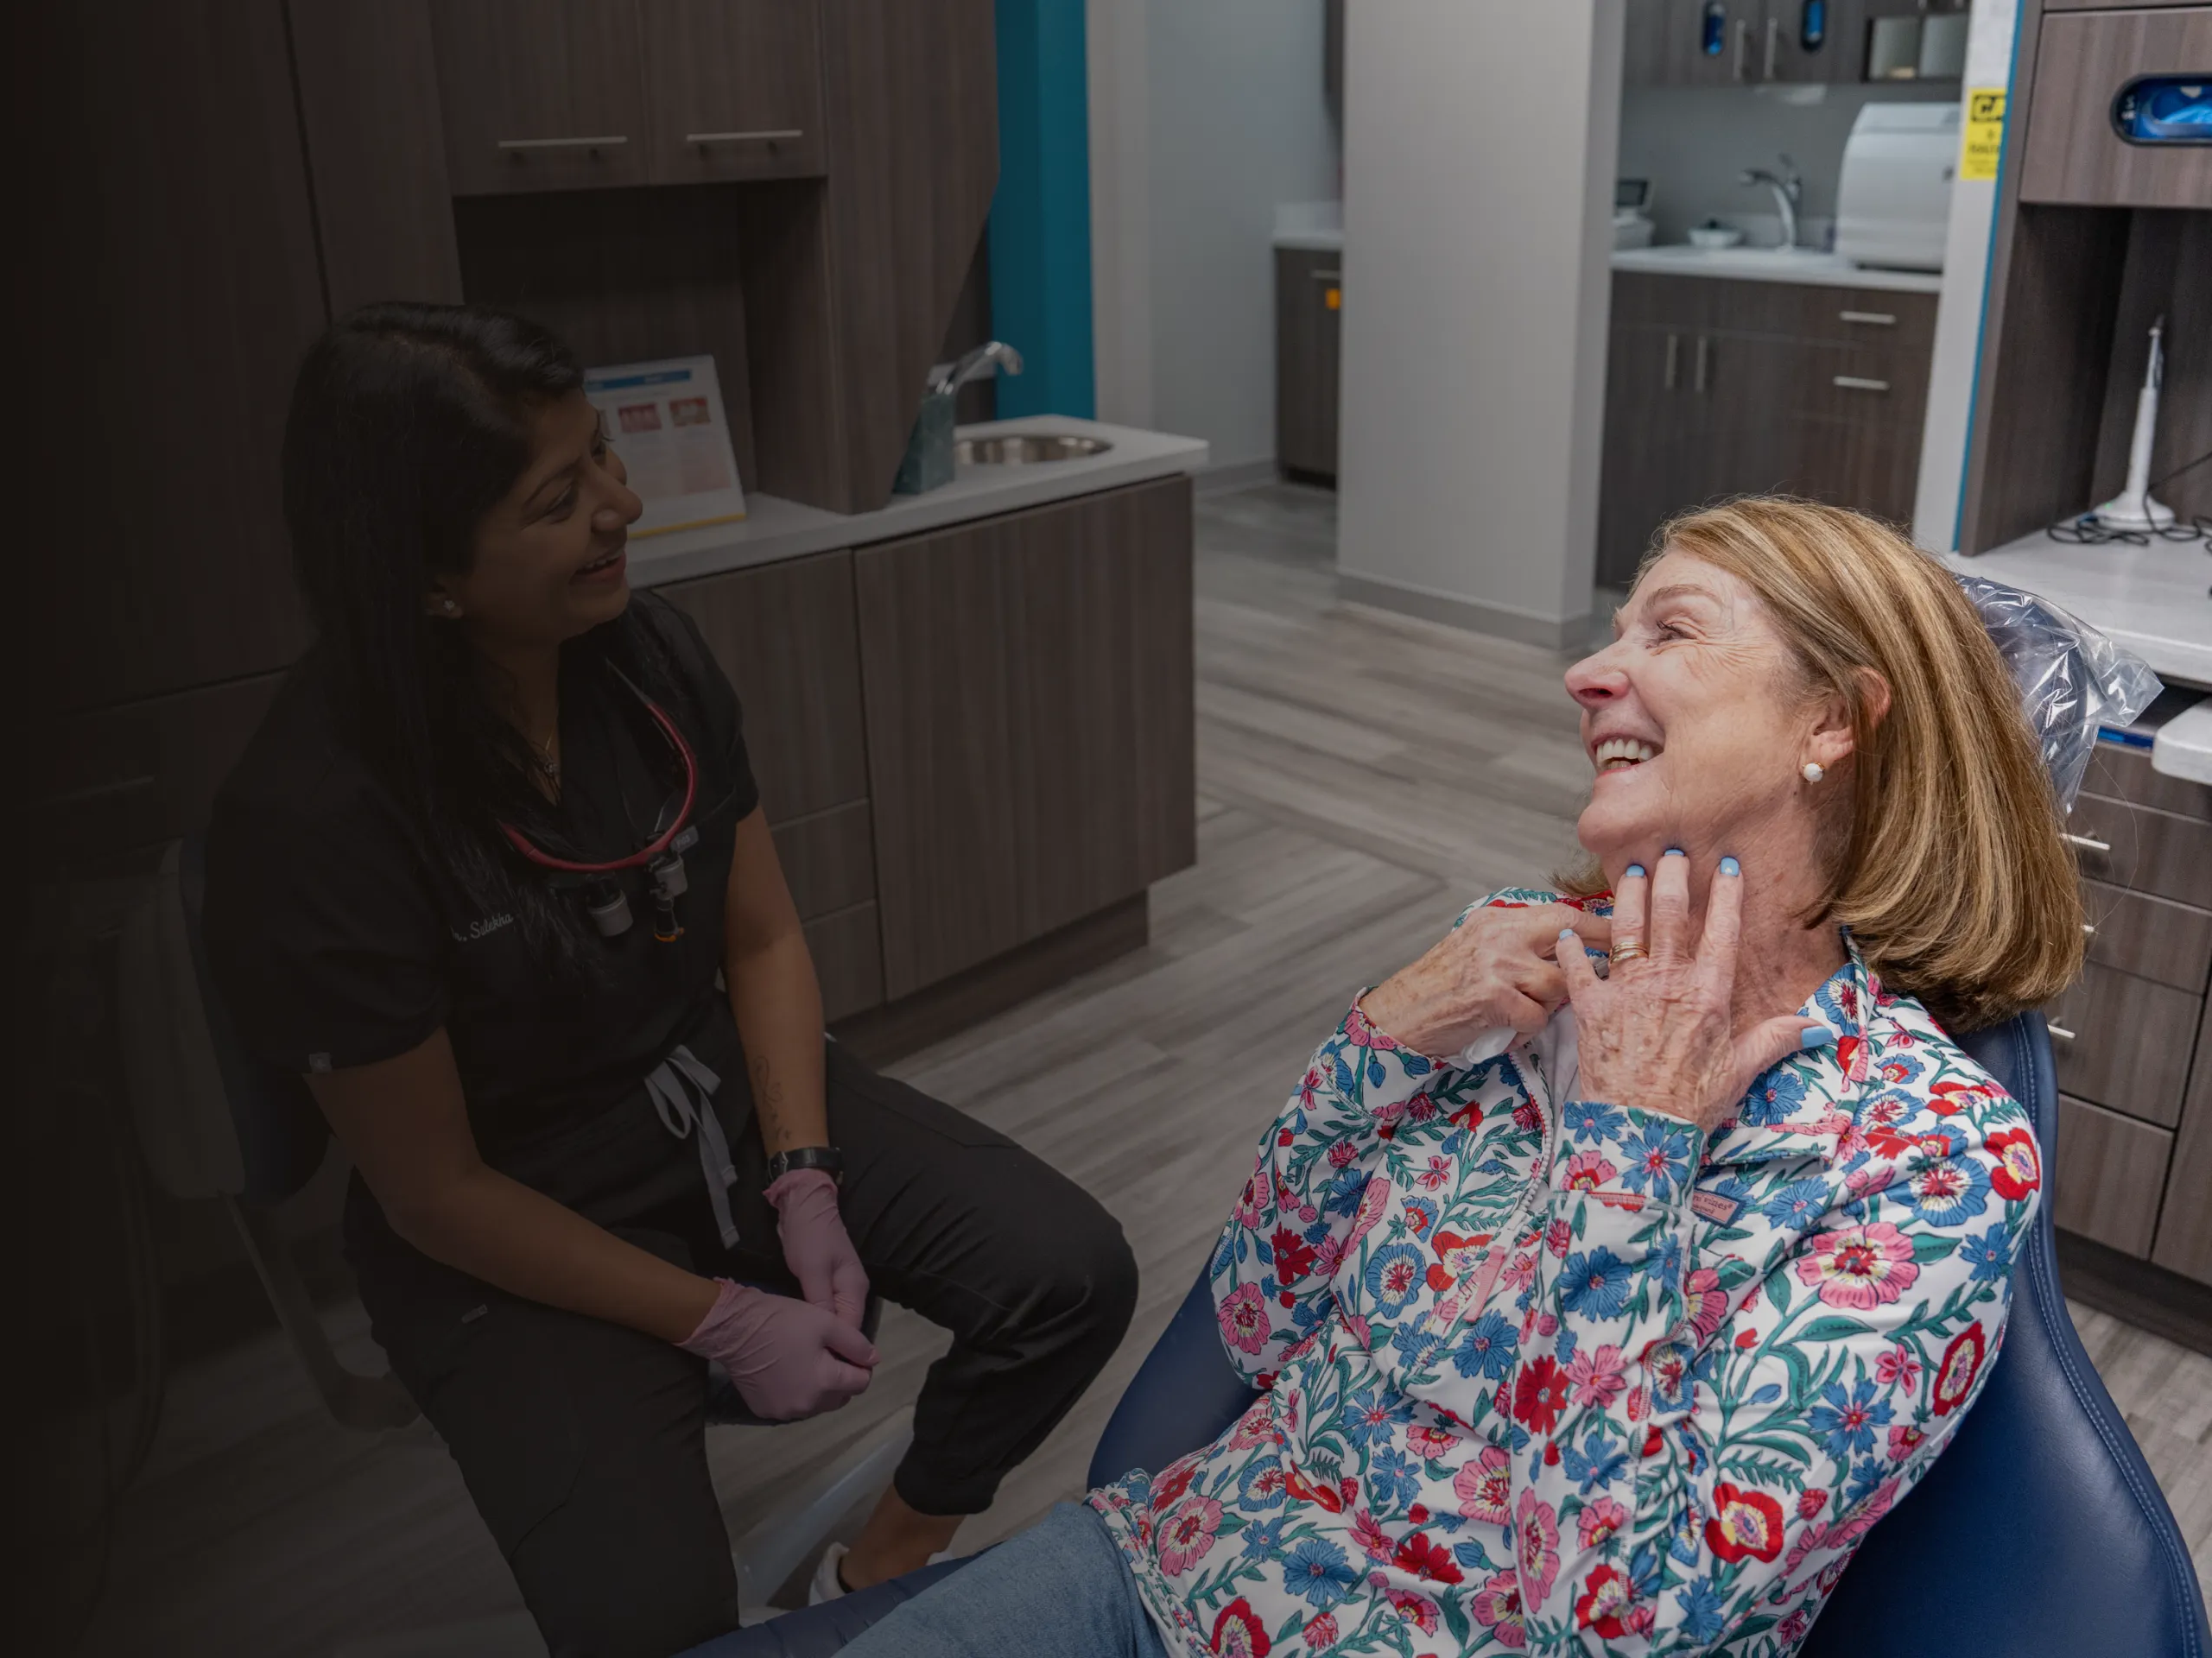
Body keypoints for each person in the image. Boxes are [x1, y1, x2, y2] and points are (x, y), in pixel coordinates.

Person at [840, 496, 2084, 1657]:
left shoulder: (1932, 1151)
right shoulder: (1516, 962)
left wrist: (1633, 1144)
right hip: (1170, 1566)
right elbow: (1258, 1325)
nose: (1587, 675)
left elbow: (1617, 1620)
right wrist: (1375, 1042)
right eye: (1610, 634)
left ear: (1831, 721)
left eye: (1673, 629)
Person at [199, 302, 1142, 1657]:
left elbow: (756, 940)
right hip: (507, 1210)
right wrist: (715, 1316)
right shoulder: (315, 822)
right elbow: (435, 1191)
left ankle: (880, 1555)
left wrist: (805, 1167)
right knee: (653, 1622)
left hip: (711, 1097)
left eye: (603, 458)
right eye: (559, 496)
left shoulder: (645, 664)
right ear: (427, 580)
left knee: (1070, 1274)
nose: (623, 507)